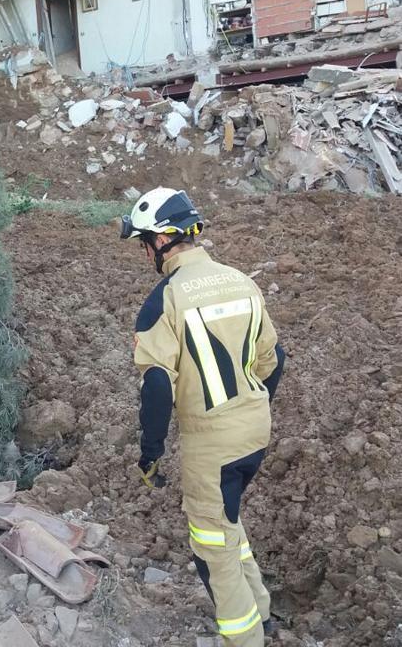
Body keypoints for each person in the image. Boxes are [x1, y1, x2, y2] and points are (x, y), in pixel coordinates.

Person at [121, 188, 286, 646]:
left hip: (211, 445)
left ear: (160, 241)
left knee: (211, 550)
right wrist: (253, 408)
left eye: (143, 242)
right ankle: (264, 613)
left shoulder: (164, 300)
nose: (143, 251)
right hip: (254, 433)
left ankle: (246, 637)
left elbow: (156, 385)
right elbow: (276, 359)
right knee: (227, 521)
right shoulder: (241, 280)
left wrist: (150, 454)